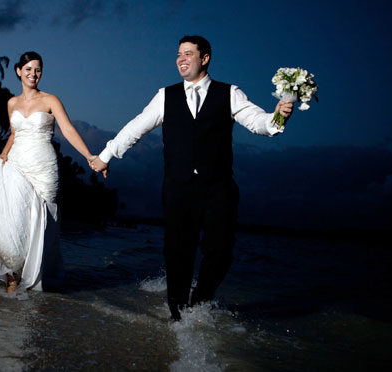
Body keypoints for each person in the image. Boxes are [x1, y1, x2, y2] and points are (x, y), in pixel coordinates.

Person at [90, 35, 293, 320]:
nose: (181, 59)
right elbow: (136, 127)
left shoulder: (229, 93)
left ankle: (199, 304)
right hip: (178, 187)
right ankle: (177, 315)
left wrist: (278, 117)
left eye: (188, 54)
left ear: (205, 58)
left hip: (218, 187)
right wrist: (106, 156)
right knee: (177, 252)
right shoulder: (165, 95)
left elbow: (259, 122)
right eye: (178, 55)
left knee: (221, 251)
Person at [0, 51, 97, 293]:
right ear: (18, 71)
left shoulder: (50, 100)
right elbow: (14, 133)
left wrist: (89, 156)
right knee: (13, 219)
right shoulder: (11, 103)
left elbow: (67, 129)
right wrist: (3, 154)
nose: (33, 74)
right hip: (17, 163)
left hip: (44, 167)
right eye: (28, 69)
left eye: (37, 69)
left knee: (40, 221)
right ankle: (13, 276)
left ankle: (34, 279)